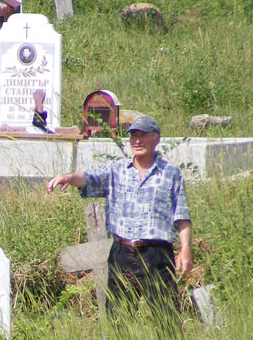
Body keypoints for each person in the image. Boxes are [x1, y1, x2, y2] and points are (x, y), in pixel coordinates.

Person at [47, 115, 192, 320]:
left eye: (143, 135)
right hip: (123, 253)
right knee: (119, 321)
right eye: (133, 136)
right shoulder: (117, 170)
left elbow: (182, 215)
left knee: (167, 320)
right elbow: (88, 178)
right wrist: (68, 178)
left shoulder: (171, 173)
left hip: (157, 254)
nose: (137, 141)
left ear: (157, 138)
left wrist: (185, 249)